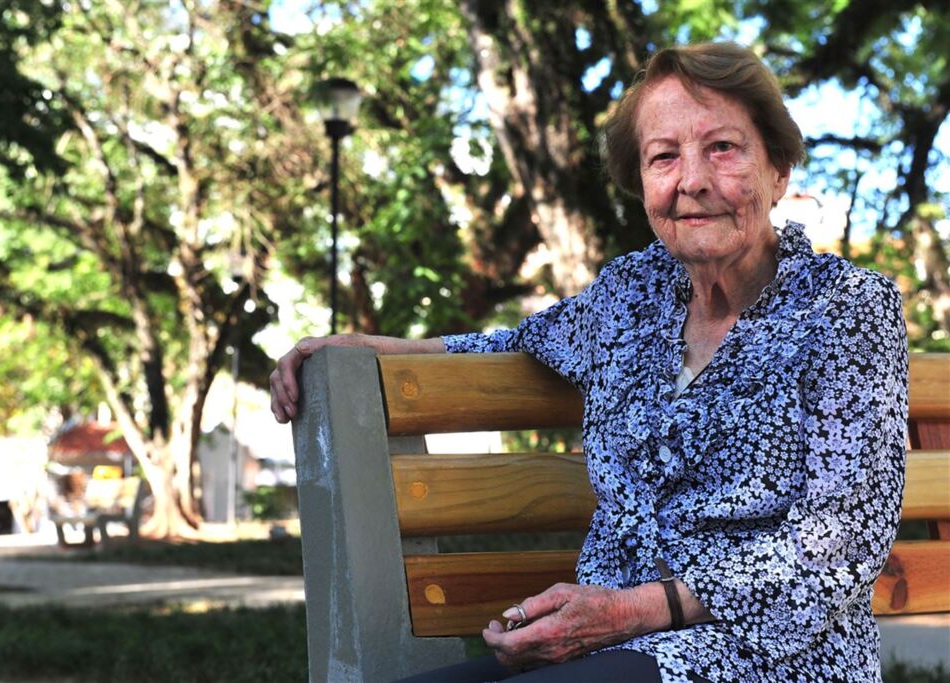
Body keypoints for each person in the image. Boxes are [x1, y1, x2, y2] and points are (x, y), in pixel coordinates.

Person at [270, 42, 907, 683]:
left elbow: (844, 542)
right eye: (663, 157)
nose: (692, 180)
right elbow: (515, 342)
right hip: (603, 649)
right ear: (642, 187)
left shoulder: (845, 308)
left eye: (723, 148)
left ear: (778, 171)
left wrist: (631, 611)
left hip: (771, 657)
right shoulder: (632, 294)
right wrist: (362, 350)